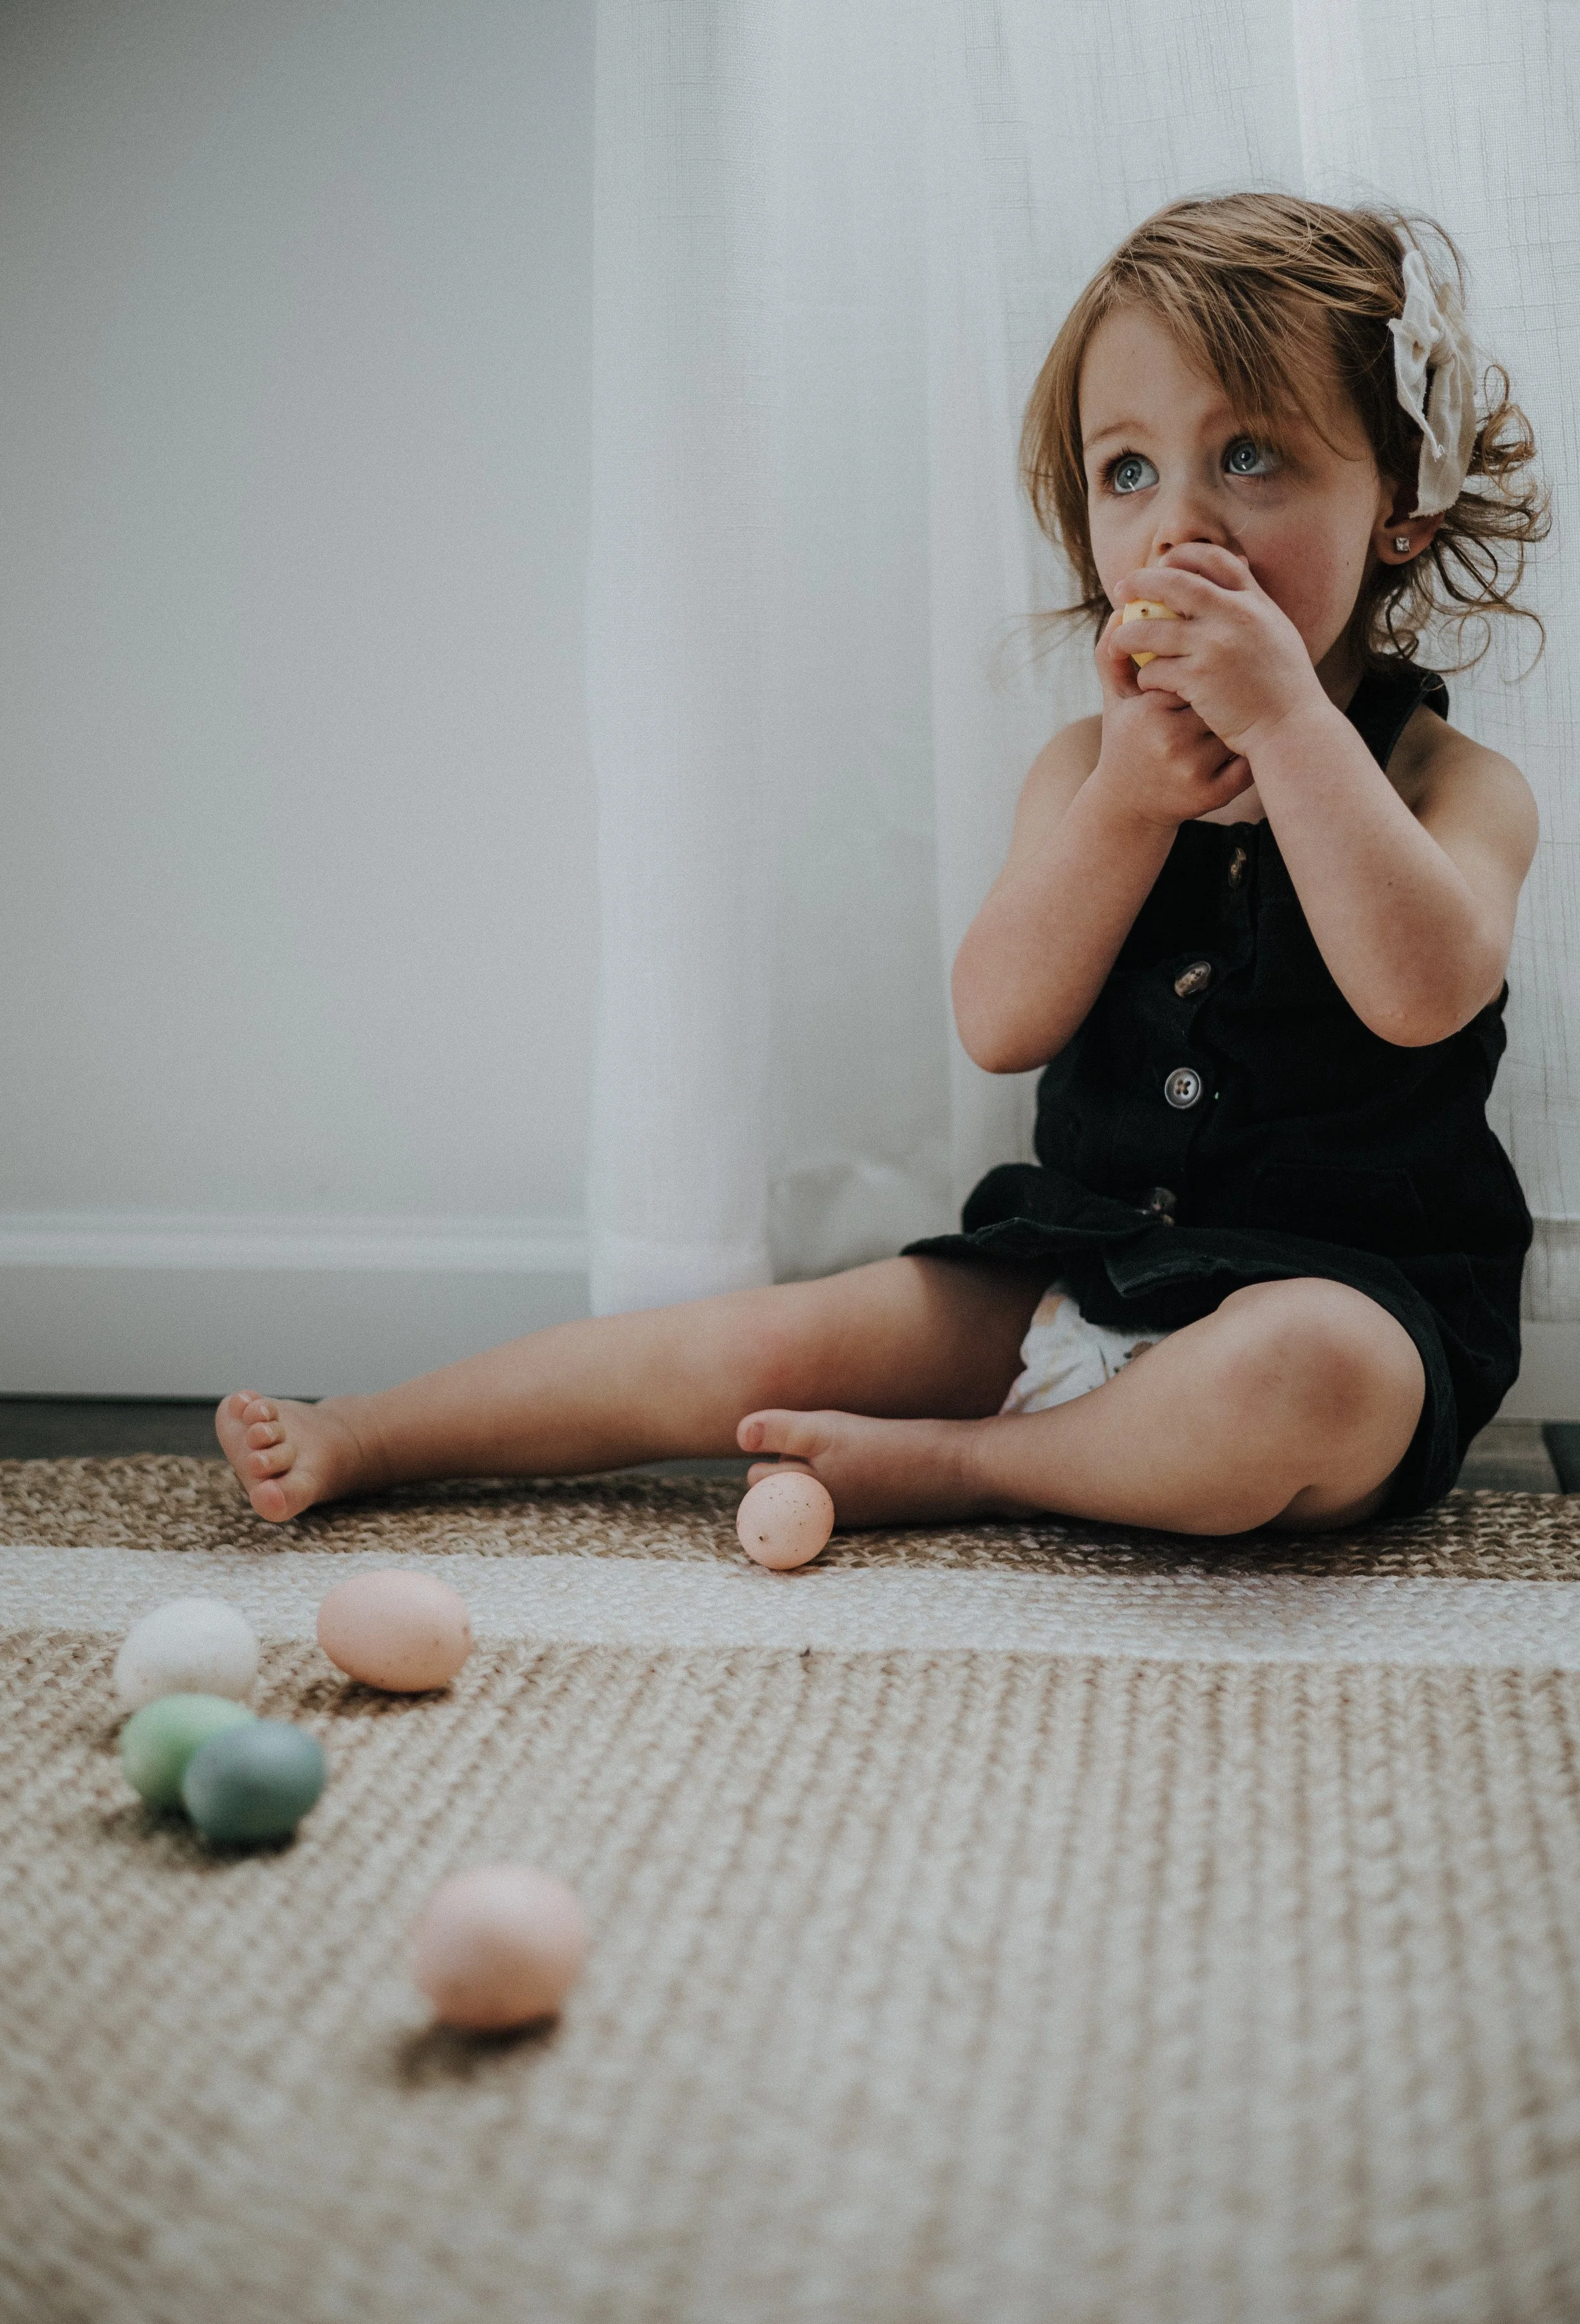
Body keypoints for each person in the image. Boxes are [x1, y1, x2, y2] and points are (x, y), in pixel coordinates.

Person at [217, 191, 1549, 1539]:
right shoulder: (1087, 770)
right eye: (1126, 471)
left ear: (1402, 507)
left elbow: (1416, 994)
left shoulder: (1450, 786)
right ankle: (370, 1432)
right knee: (750, 1348)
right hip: (1074, 1267)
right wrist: (1125, 811)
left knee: (1298, 1372)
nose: (1175, 527)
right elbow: (998, 1023)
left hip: (1346, 1313)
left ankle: (969, 1468)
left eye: (1249, 455)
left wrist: (1286, 727)